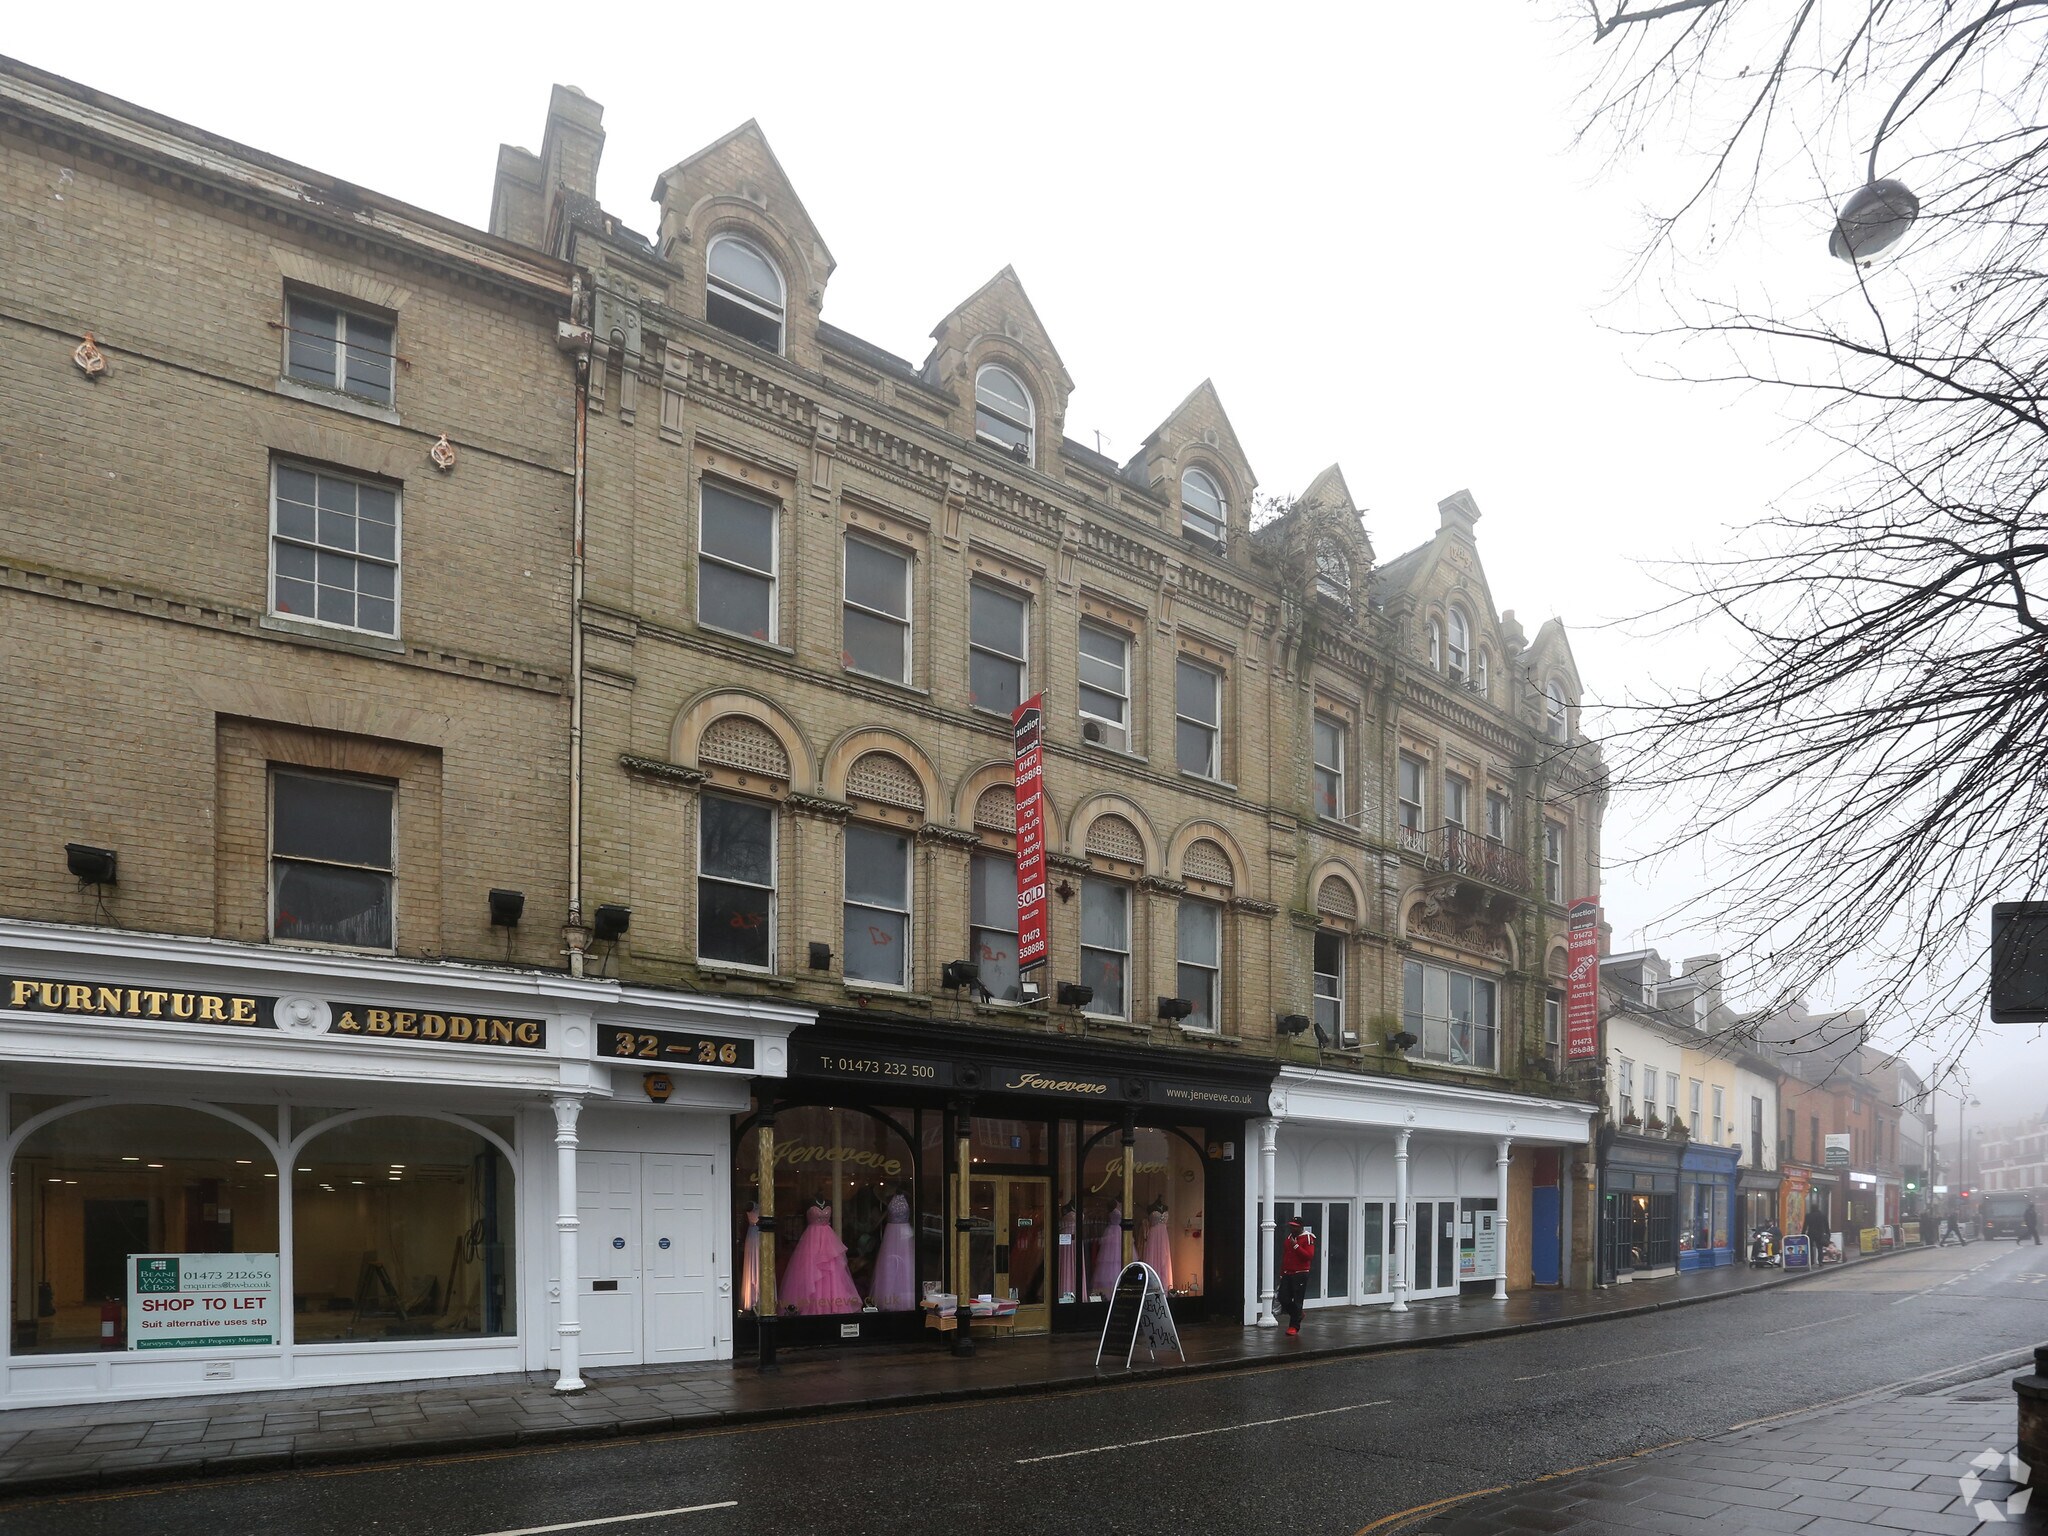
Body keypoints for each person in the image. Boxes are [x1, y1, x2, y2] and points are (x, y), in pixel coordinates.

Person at [1279, 1215, 1316, 1337]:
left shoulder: (1308, 1238)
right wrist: (1282, 1272)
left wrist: (1296, 1246)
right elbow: (1286, 1256)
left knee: (1297, 1300)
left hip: (1300, 1273)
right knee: (1282, 1298)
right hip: (1287, 1273)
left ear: (1301, 1227)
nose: (1292, 1229)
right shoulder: (1289, 1238)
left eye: (1295, 1227)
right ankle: (1298, 1313)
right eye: (1291, 1226)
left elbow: (1308, 1256)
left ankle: (1294, 1326)